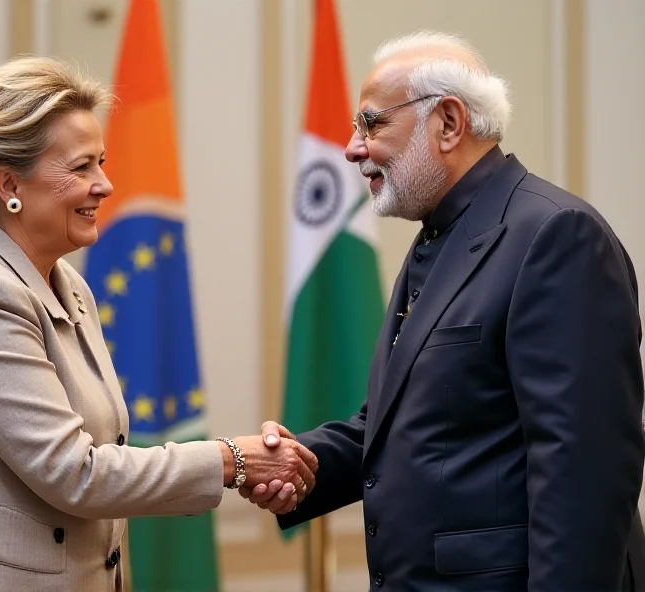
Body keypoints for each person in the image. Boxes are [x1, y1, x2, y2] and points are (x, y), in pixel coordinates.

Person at [0, 56, 317, 592]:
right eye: (81, 167)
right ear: (7, 184)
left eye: (102, 162)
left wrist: (246, 463)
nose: (106, 185)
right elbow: (75, 473)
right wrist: (232, 460)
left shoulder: (68, 285)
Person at [242, 31, 645, 591]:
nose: (353, 148)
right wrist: (295, 461)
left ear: (449, 123)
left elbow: (585, 477)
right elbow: (402, 426)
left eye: (372, 123)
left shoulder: (556, 236)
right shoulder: (439, 234)